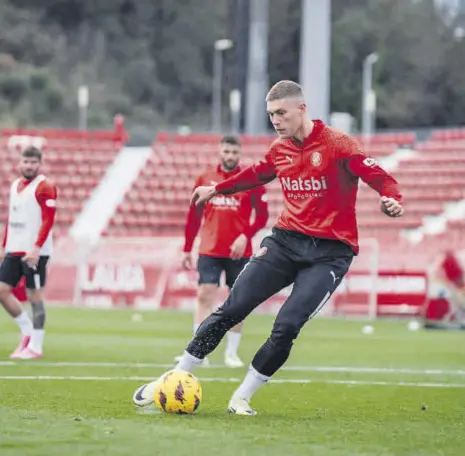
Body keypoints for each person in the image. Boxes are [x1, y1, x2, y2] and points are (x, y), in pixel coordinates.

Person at [133, 80, 403, 414]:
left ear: (301, 109)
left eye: (280, 113)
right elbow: (257, 174)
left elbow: (379, 176)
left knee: (287, 326)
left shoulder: (338, 144)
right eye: (270, 114)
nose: (275, 120)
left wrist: (391, 197)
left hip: (330, 254)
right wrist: (217, 190)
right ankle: (175, 377)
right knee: (232, 308)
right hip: (285, 243)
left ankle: (242, 397)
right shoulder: (280, 148)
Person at [177, 135, 269, 367]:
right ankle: (199, 352)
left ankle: (231, 353)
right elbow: (193, 216)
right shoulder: (205, 179)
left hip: (239, 251)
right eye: (226, 152)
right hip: (210, 248)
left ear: (240, 154)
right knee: (204, 295)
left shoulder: (250, 180)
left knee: (238, 300)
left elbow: (263, 216)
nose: (230, 156)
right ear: (220, 152)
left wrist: (244, 236)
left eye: (234, 152)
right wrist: (187, 248)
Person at [0, 146, 57, 359]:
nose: (29, 166)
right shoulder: (15, 185)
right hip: (15, 249)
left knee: (35, 296)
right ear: (19, 163)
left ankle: (36, 346)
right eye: (26, 162)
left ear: (39, 164)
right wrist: (4, 246)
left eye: (33, 162)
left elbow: (48, 220)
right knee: (2, 290)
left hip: (35, 253)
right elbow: (12, 219)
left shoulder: (45, 186)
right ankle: (26, 331)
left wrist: (36, 247)